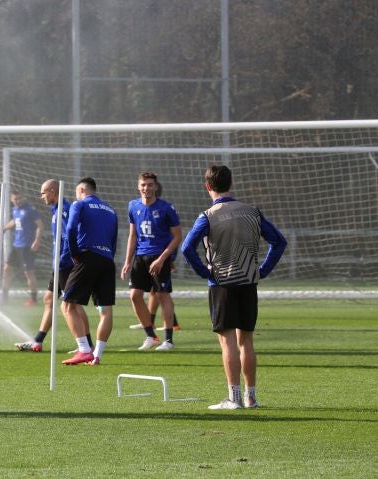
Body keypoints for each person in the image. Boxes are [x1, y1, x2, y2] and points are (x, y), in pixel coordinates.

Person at [181, 165, 286, 410]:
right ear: (231, 184)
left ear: (207, 186)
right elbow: (279, 242)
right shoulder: (253, 212)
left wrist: (204, 272)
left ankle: (234, 398)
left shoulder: (208, 215)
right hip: (249, 282)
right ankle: (251, 397)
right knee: (246, 340)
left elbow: (187, 248)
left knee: (227, 341)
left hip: (222, 284)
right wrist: (262, 270)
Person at [14, 180, 93, 353]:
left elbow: (70, 235)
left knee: (74, 304)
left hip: (65, 264)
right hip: (59, 263)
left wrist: (65, 259)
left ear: (52, 191)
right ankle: (38, 341)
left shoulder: (65, 209)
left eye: (43, 193)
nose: (41, 197)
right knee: (49, 299)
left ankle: (88, 345)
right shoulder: (56, 209)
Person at [60, 178, 118, 366]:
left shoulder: (80, 204)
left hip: (88, 257)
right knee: (106, 311)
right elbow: (114, 241)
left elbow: (70, 229)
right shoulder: (110, 210)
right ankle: (97, 355)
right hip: (107, 260)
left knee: (67, 305)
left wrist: (75, 254)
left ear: (82, 189)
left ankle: (84, 350)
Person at [121, 172, 182, 351]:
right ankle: (151, 336)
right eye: (143, 185)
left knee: (162, 295)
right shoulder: (133, 206)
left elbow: (177, 236)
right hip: (140, 257)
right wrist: (127, 261)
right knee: (134, 295)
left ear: (155, 187)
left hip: (159, 257)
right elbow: (133, 235)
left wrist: (164, 258)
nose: (146, 188)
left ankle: (168, 340)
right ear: (138, 186)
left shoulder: (166, 208)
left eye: (149, 185)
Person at [0, 190, 43, 306]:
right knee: (6, 269)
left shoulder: (31, 210)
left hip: (27, 246)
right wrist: (4, 229)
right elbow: (14, 221)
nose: (18, 201)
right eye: (15, 199)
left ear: (23, 198)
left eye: (20, 198)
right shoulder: (15, 210)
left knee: (28, 273)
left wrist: (37, 240)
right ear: (11, 200)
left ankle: (33, 300)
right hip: (16, 245)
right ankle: (4, 298)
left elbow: (40, 226)